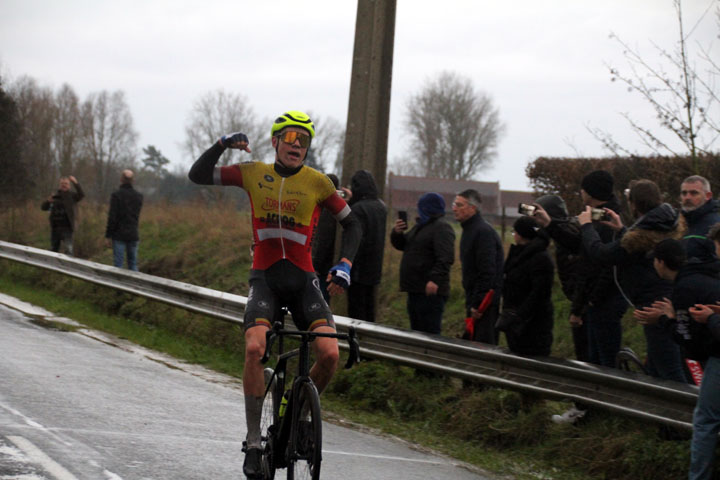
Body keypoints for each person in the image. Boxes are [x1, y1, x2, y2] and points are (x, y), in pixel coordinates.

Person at [188, 111, 361, 479]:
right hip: (265, 278)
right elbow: (197, 175)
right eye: (291, 137)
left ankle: (297, 414)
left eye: (304, 140)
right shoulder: (252, 173)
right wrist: (221, 145)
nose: (297, 145)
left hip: (304, 281)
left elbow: (353, 223)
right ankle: (253, 442)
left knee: (330, 353)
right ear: (276, 141)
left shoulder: (318, 183)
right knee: (254, 349)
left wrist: (345, 263)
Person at [580, 179, 688, 384]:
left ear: (634, 204)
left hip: (654, 307)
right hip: (665, 298)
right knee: (657, 368)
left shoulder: (640, 235)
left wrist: (587, 227)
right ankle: (658, 413)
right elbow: (640, 252)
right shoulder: (666, 223)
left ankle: (687, 415)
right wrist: (621, 229)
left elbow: (602, 254)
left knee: (671, 371)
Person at [638, 236, 720, 480]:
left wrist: (665, 319)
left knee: (706, 419)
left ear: (661, 263)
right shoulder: (709, 276)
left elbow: (688, 341)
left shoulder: (685, 288)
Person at [390, 192, 455, 335]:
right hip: (415, 288)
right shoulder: (420, 227)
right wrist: (397, 233)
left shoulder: (442, 228)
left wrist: (434, 280)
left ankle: (431, 357)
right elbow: (403, 245)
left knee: (430, 332)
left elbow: (445, 258)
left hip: (430, 291)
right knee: (417, 330)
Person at [533, 195, 587, 361]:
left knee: (587, 354)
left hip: (585, 305)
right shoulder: (564, 233)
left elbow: (581, 276)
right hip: (580, 300)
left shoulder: (567, 237)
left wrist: (577, 309)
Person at [496, 215, 555, 356]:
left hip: (532, 323)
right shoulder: (519, 254)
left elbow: (539, 292)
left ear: (521, 234)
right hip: (515, 320)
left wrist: (520, 315)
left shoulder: (540, 258)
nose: (513, 235)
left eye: (515, 231)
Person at [452, 189, 503, 344]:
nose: (454, 208)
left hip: (484, 306)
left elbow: (487, 271)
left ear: (472, 208)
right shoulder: (470, 230)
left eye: (459, 205)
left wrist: (478, 305)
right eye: (454, 204)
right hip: (474, 300)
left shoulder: (482, 233)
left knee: (483, 348)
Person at [346, 169, 387, 323]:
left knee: (356, 311)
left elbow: (355, 238)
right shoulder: (381, 206)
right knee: (369, 310)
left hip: (358, 269)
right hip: (374, 268)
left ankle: (356, 344)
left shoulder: (357, 209)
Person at [105, 169, 144, 271]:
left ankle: (117, 286)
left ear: (121, 179)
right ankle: (135, 285)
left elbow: (112, 217)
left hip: (119, 234)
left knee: (118, 265)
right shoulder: (139, 196)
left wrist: (108, 235)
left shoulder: (116, 195)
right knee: (133, 263)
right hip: (133, 233)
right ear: (133, 180)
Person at [312, 173, 341, 303]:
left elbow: (323, 239)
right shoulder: (337, 207)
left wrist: (316, 264)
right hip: (329, 263)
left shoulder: (327, 211)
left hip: (323, 267)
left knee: (319, 299)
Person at [680, 175, 720, 263]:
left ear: (708, 196)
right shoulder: (678, 223)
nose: (687, 197)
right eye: (684, 193)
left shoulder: (715, 225)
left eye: (694, 193)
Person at [41, 175, 84, 255]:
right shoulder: (55, 196)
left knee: (69, 250)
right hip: (55, 228)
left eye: (66, 184)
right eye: (62, 184)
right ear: (59, 185)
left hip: (67, 228)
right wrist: (48, 201)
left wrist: (75, 182)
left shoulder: (72, 196)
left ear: (69, 186)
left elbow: (81, 194)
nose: (64, 185)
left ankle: (68, 266)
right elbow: (43, 208)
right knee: (54, 250)